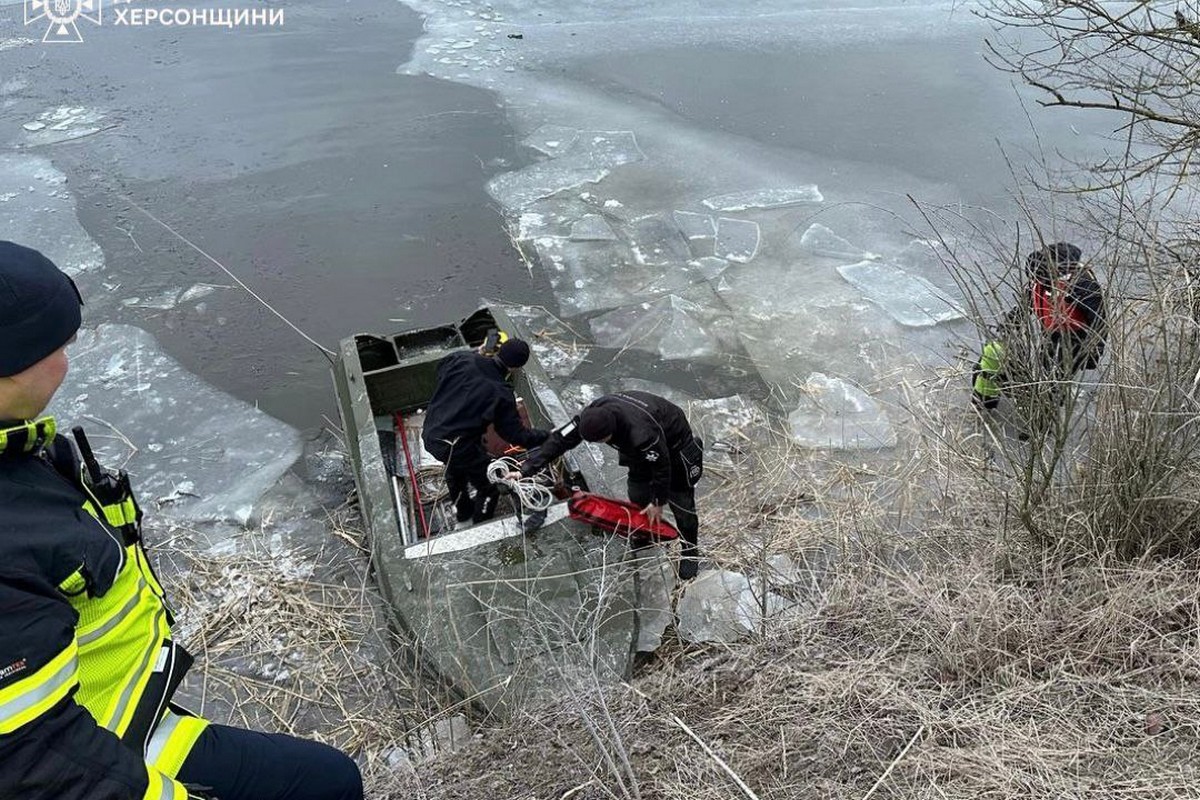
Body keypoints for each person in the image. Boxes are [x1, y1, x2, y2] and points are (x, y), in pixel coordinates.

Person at [0, 241, 363, 800]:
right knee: (324, 785)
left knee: (325, 778)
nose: (68, 358)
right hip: (101, 743)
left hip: (115, 710)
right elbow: (36, 766)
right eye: (55, 343)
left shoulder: (18, 458)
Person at [518, 391, 705, 580]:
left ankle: (690, 550)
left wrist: (657, 502)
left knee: (682, 505)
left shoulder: (642, 434)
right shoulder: (591, 415)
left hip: (673, 445)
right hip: (636, 448)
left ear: (609, 435)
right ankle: (645, 533)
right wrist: (526, 469)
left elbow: (662, 468)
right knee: (638, 493)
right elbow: (560, 439)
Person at [422, 336, 550, 524]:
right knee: (489, 487)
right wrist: (547, 436)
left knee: (454, 472)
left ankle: (463, 513)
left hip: (432, 434)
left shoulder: (462, 359)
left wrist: (477, 355)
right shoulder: (501, 392)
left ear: (499, 351)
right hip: (458, 446)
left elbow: (441, 369)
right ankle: (481, 521)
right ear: (516, 367)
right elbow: (515, 435)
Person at [972, 241, 1107, 410]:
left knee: (1053, 383)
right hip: (1051, 334)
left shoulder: (1082, 285)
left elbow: (1099, 320)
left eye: (1042, 278)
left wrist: (1094, 351)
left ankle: (1044, 423)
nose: (1038, 281)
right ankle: (1038, 401)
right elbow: (1025, 305)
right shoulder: (1040, 280)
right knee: (1044, 370)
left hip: (1074, 340)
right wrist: (1008, 326)